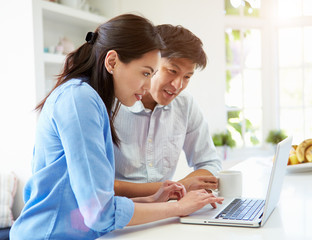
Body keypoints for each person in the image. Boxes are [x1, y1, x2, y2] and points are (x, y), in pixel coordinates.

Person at [10, 14, 223, 240]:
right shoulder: (79, 100)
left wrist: (153, 199)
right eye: (146, 73)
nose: (149, 84)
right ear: (112, 62)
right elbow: (99, 213)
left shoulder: (91, 99)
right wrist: (178, 207)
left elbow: (97, 203)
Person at [113, 24, 222, 198]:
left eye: (187, 77)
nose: (178, 85)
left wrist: (178, 189)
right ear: (151, 62)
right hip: (121, 213)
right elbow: (101, 186)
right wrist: (179, 187)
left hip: (166, 211)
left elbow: (209, 163)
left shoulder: (185, 105)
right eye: (172, 71)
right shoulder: (111, 104)